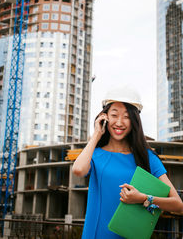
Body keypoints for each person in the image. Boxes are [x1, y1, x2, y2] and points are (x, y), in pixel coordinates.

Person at [72, 86, 183, 239]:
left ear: (134, 121)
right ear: (105, 117)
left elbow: (178, 205)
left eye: (126, 116)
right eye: (114, 115)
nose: (119, 122)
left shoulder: (147, 157)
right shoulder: (95, 154)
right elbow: (78, 170)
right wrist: (97, 134)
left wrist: (143, 198)